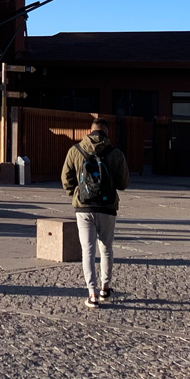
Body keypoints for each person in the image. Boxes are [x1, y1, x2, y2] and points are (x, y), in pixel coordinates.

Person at [60, 120, 131, 308]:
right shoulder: (115, 153)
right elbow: (123, 183)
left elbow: (65, 178)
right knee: (106, 247)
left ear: (89, 132)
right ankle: (105, 288)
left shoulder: (75, 150)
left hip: (83, 207)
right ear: (107, 133)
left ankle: (91, 293)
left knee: (88, 250)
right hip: (107, 207)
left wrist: (75, 194)